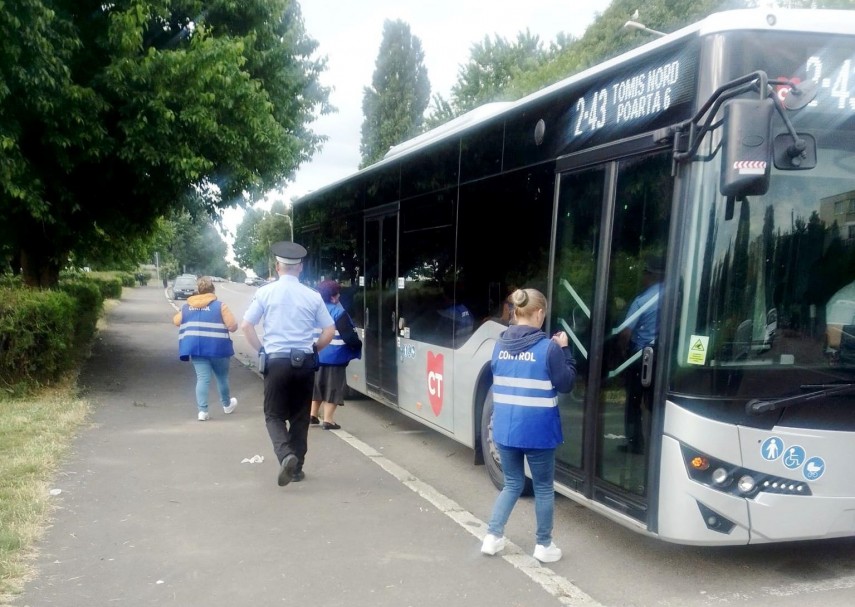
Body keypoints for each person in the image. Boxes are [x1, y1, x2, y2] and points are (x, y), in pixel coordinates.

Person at [480, 288, 576, 563]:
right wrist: (565, 350)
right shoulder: (548, 349)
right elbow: (566, 384)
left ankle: (492, 537)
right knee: (543, 487)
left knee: (512, 483)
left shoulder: (499, 346)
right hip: (538, 432)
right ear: (539, 313)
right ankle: (544, 545)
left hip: (505, 430)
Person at [240, 241, 335, 487]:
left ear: (277, 266)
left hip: (277, 361)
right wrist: (314, 349)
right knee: (301, 417)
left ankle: (286, 455)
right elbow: (329, 330)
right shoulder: (312, 296)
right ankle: (297, 469)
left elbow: (246, 326)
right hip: (304, 363)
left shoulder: (265, 292)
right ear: (300, 268)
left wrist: (262, 349)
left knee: (273, 414)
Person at [616, 255, 664, 455]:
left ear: (650, 275)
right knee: (655, 402)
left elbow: (625, 332)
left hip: (640, 356)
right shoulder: (672, 295)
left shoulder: (642, 300)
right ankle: (659, 444)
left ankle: (635, 443)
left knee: (634, 402)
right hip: (661, 354)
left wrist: (622, 353)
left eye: (644, 273)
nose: (642, 277)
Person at [173, 276, 239, 421]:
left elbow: (176, 321)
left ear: (198, 291)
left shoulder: (187, 307)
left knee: (202, 379)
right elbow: (233, 326)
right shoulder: (220, 306)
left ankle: (202, 412)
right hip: (219, 349)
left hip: (197, 349)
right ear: (212, 290)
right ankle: (227, 405)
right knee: (222, 378)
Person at [309, 280, 362, 430]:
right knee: (333, 387)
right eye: (337, 293)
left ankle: (312, 415)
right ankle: (328, 420)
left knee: (317, 385)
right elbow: (349, 337)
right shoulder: (338, 312)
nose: (339, 296)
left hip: (315, 355)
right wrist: (358, 345)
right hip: (334, 357)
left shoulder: (312, 309)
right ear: (332, 297)